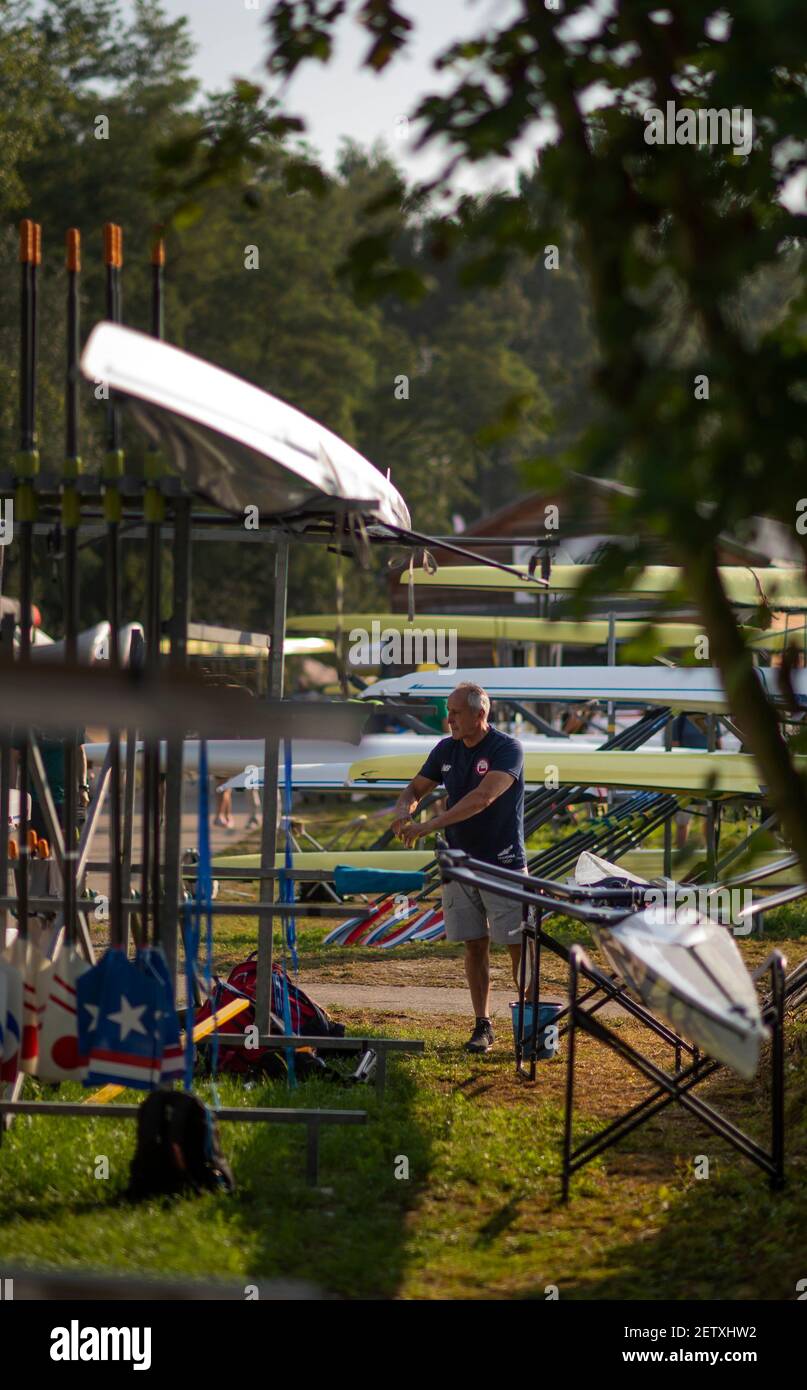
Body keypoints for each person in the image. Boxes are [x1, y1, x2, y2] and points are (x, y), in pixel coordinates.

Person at [392, 682, 526, 1055]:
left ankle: (529, 1022)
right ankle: (483, 1024)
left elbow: (482, 799)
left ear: (479, 715)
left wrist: (428, 826)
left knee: (518, 947)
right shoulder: (446, 749)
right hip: (459, 866)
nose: (447, 719)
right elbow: (415, 788)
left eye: (453, 712)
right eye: (448, 712)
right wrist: (405, 808)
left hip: (503, 865)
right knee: (474, 946)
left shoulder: (507, 749)